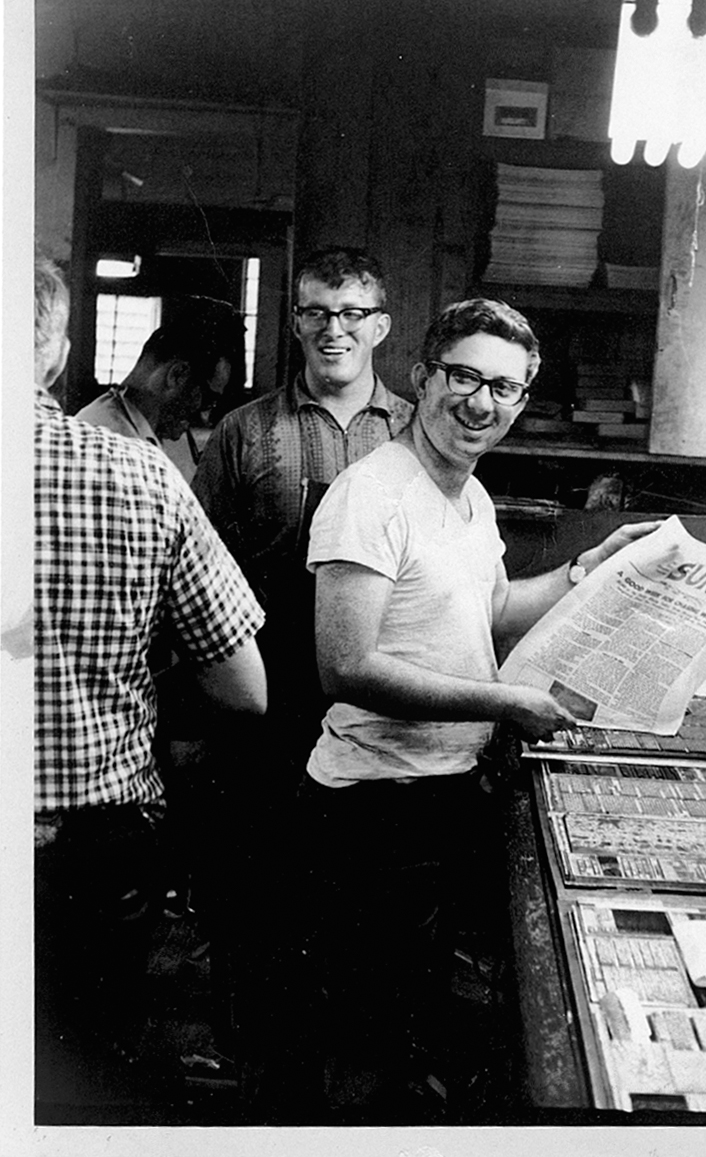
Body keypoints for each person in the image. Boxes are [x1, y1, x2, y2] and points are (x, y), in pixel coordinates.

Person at [300, 298, 660, 1116]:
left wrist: (586, 569)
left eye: (504, 387)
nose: (480, 402)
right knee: (362, 1040)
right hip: (370, 808)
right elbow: (346, 664)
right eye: (464, 376)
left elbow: (488, 609)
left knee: (408, 1022)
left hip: (440, 792)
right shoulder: (371, 493)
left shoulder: (471, 497)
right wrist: (506, 701)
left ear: (521, 401)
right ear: (423, 378)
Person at [33, 253, 267, 1112]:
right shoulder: (135, 472)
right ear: (56, 355)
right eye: (198, 396)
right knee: (87, 1057)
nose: (202, 415)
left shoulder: (157, 446)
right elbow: (245, 689)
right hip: (94, 832)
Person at [189, 247, 413, 1113]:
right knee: (261, 891)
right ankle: (260, 1073)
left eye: (354, 313)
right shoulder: (248, 431)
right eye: (318, 311)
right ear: (296, 322)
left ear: (381, 327)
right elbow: (195, 568)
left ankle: (347, 1076)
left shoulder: (412, 429)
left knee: (355, 895)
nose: (335, 329)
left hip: (375, 695)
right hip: (269, 696)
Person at [76, 295, 246, 482]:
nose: (206, 416)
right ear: (177, 375)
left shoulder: (124, 421)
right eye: (208, 399)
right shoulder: (116, 445)